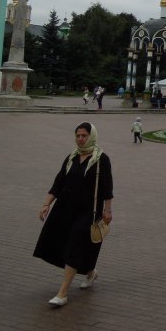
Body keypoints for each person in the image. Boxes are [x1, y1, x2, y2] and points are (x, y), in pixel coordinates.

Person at [33, 122, 113, 307]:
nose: (80, 139)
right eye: (77, 136)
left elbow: (107, 187)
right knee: (70, 244)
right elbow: (59, 182)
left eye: (84, 135)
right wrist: (46, 204)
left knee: (75, 245)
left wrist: (107, 210)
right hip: (66, 209)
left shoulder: (101, 159)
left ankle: (62, 293)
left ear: (91, 136)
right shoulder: (71, 158)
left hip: (88, 211)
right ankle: (90, 272)